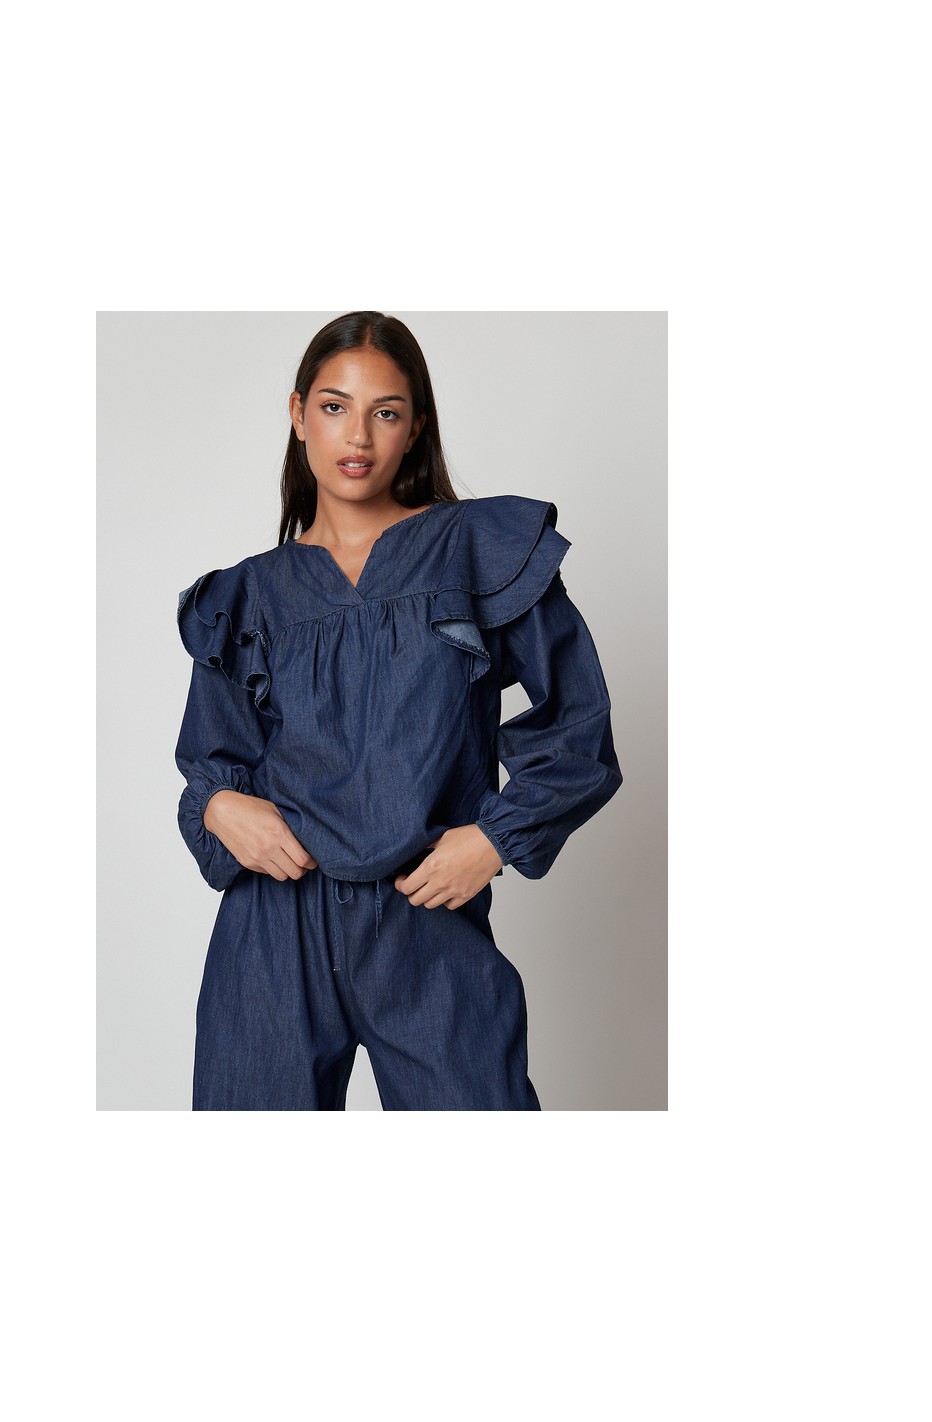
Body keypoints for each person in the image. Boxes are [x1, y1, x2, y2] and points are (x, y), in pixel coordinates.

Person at [174, 311, 623, 1111]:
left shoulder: (477, 549)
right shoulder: (245, 596)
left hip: (425, 916)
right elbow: (212, 762)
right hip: (272, 930)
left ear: (415, 428)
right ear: (298, 414)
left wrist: (495, 837)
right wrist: (217, 806)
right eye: (334, 406)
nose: (358, 436)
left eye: (386, 412)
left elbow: (579, 723)